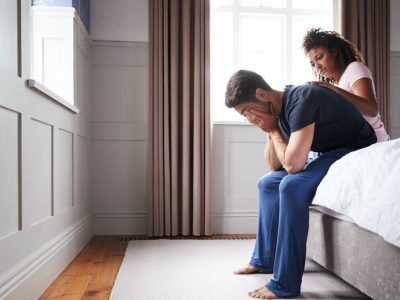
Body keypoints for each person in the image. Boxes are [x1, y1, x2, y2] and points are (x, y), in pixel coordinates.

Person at [225, 70, 376, 299]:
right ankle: (264, 259)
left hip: (354, 149)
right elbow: (274, 166)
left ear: (260, 94)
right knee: (267, 184)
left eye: (247, 111)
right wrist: (269, 130)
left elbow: (293, 166)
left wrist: (274, 129)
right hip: (326, 153)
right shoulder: (276, 111)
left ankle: (285, 284)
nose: (248, 118)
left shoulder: (302, 99)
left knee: (291, 186)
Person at [302, 28, 390, 142]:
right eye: (313, 64)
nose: (317, 66)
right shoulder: (339, 84)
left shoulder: (354, 68)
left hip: (375, 145)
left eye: (319, 57)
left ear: (334, 51)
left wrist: (333, 90)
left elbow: (372, 110)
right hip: (358, 145)